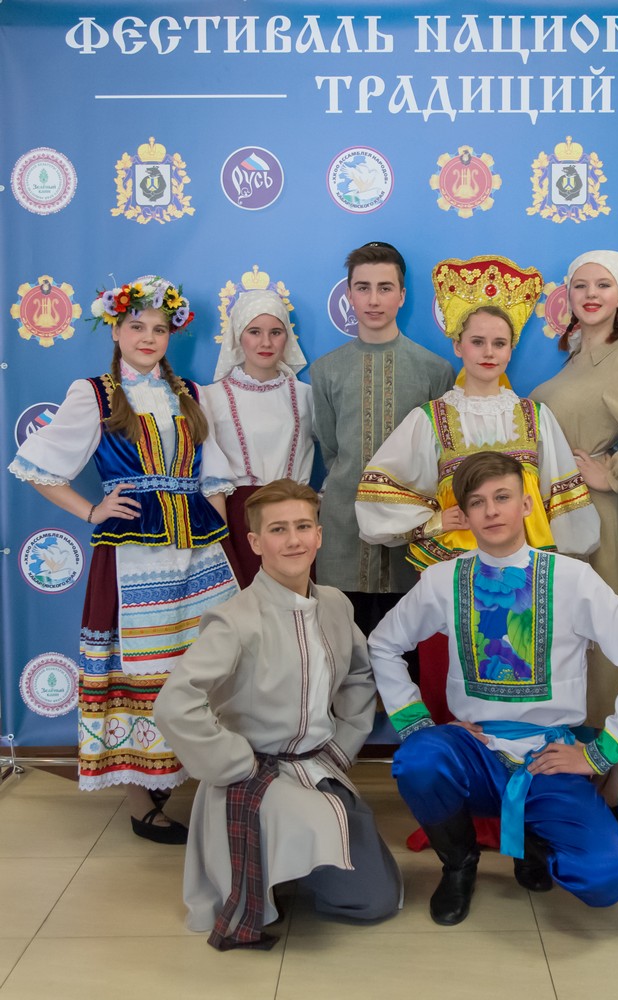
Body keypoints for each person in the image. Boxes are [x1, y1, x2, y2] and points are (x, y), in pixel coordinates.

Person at [368, 451, 618, 925]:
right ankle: (459, 864)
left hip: (550, 758)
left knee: (606, 879)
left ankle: (535, 842)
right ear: (464, 516)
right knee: (419, 758)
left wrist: (601, 753)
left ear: (526, 505)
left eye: (502, 497)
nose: (491, 511)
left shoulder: (573, 579)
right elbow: (383, 644)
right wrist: (419, 725)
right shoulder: (444, 580)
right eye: (477, 502)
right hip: (475, 750)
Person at [8, 276, 239, 841]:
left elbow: (213, 477)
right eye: (136, 326)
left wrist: (223, 546)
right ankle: (141, 800)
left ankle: (217, 782)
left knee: (205, 661)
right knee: (135, 668)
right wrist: (92, 510)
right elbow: (37, 466)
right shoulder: (94, 393)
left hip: (198, 552)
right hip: (134, 554)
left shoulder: (191, 392)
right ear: (115, 330)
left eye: (159, 328)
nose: (148, 337)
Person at [154, 479, 401, 949]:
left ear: (319, 535)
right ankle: (277, 856)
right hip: (256, 774)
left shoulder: (334, 604)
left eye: (303, 527)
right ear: (255, 542)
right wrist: (235, 762)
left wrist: (343, 744)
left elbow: (359, 674)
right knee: (329, 849)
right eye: (278, 529)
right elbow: (175, 703)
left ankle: (293, 860)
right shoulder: (234, 619)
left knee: (376, 899)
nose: (293, 540)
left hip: (317, 766)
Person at [356, 254, 600, 571]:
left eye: (499, 343)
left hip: (526, 562)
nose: (488, 352)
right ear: (458, 346)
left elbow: (562, 502)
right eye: (477, 341)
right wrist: (435, 521)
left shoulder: (536, 416)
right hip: (455, 563)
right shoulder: (430, 419)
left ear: (510, 349)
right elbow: (379, 496)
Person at [532, 250, 618, 726]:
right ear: (568, 295)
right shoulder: (577, 360)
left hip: (601, 516)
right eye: (581, 285)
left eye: (603, 285)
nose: (591, 294)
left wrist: (611, 474)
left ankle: (607, 755)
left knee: (604, 631)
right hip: (561, 512)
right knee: (570, 630)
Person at [310, 241, 454, 640]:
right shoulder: (325, 371)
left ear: (402, 295)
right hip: (342, 530)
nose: (373, 300)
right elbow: (331, 450)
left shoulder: (435, 370)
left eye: (385, 288)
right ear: (349, 294)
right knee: (344, 648)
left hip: (412, 532)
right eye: (363, 287)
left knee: (408, 652)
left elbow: (440, 454)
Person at [202, 288, 314, 586]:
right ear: (238, 336)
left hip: (296, 517)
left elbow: (336, 452)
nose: (266, 342)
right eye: (255, 332)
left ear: (287, 337)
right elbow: (210, 476)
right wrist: (221, 541)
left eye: (275, 332)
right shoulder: (210, 398)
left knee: (296, 601)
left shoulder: (306, 396)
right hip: (241, 518)